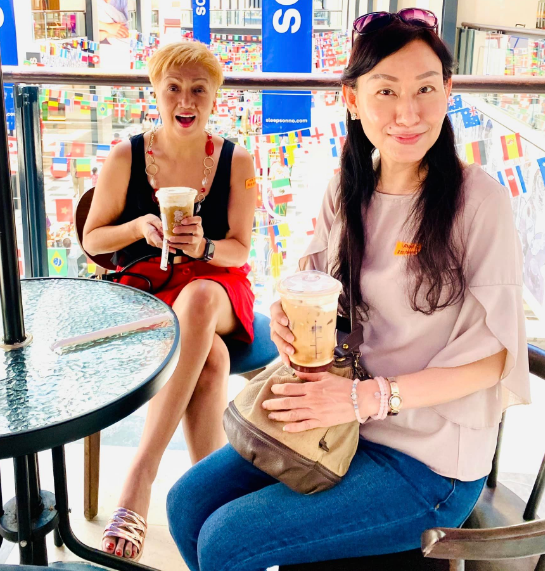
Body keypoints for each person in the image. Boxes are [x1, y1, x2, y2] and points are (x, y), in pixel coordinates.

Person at [166, 10, 530, 571]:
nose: (407, 113)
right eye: (386, 90)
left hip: (430, 460)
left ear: (448, 92)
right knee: (186, 504)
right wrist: (286, 322)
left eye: (425, 89)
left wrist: (368, 399)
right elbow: (310, 292)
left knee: (225, 542)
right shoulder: (346, 188)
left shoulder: (478, 201)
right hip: (342, 419)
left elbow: (494, 361)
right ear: (352, 99)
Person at [82, 41, 257, 561]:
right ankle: (213, 504)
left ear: (214, 97)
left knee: (199, 300)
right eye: (174, 88)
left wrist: (203, 246)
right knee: (210, 362)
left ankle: (139, 478)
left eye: (199, 89)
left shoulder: (236, 160)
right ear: (155, 93)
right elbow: (93, 240)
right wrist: (138, 226)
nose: (186, 100)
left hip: (217, 288)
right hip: (149, 291)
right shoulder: (127, 156)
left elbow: (240, 249)